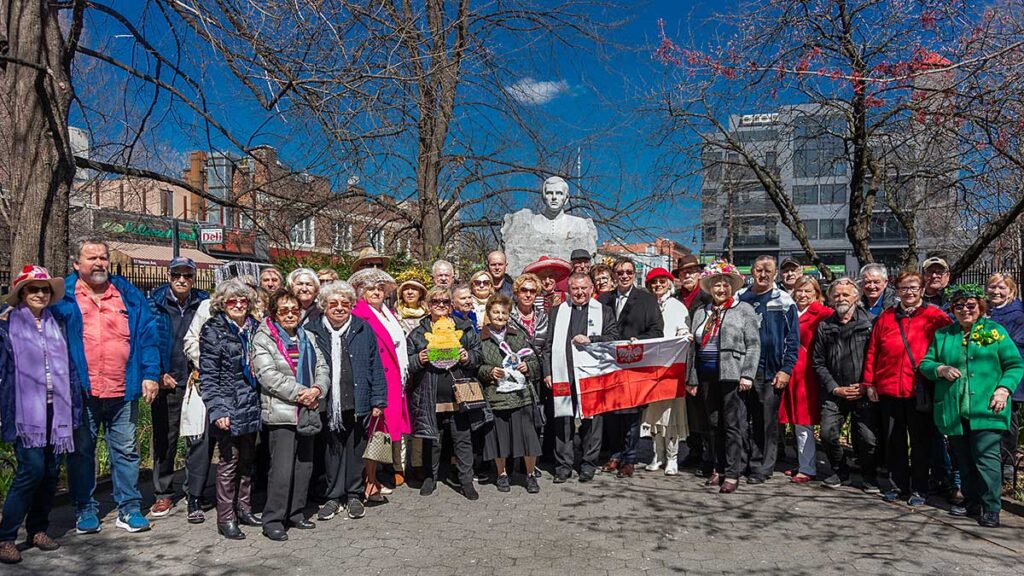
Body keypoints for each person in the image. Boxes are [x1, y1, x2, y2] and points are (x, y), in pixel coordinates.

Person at [55, 238, 160, 535]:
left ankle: (128, 508)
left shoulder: (128, 294)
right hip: (82, 390)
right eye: (92, 258)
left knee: (126, 451)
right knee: (81, 451)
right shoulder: (63, 297)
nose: (100, 263)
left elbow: (148, 336)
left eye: (103, 257)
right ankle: (85, 508)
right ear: (77, 263)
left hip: (122, 388)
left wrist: (150, 373)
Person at [921, 285, 1023, 528]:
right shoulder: (944, 335)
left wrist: (1003, 389)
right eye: (959, 306)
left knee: (985, 458)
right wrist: (940, 369)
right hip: (955, 409)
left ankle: (991, 507)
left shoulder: (995, 331)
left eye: (970, 305)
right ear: (952, 309)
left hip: (987, 408)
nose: (965, 310)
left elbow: (1015, 364)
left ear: (980, 307)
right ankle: (972, 501)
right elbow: (926, 363)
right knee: (963, 459)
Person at [0, 266, 82, 564]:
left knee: (49, 473)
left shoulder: (57, 322)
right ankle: (6, 536)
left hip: (56, 407)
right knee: (30, 470)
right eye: (33, 289)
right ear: (22, 294)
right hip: (26, 412)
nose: (39, 294)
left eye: (44, 289)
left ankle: (37, 529)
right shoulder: (7, 325)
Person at [863, 271, 951, 506]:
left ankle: (920, 488)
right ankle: (897, 485)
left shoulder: (936, 317)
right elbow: (873, 351)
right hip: (890, 388)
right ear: (897, 290)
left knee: (921, 443)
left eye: (913, 287)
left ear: (922, 289)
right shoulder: (886, 317)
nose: (909, 292)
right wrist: (870, 382)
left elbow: (949, 348)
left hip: (919, 389)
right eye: (904, 288)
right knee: (894, 441)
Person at [304, 280, 387, 522]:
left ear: (351, 305)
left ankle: (353, 494)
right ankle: (333, 496)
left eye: (345, 303)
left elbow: (376, 366)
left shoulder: (363, 328)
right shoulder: (313, 329)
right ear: (324, 306)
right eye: (333, 304)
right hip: (328, 402)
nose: (339, 308)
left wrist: (378, 400)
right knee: (332, 450)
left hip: (358, 400)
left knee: (355, 448)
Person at [251, 291, 329, 541]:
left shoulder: (308, 336)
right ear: (274, 312)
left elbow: (322, 367)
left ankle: (296, 513)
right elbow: (268, 375)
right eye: (284, 310)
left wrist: (318, 389)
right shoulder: (264, 339)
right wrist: (301, 393)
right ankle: (273, 518)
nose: (290, 315)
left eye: (294, 310)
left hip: (309, 409)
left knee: (304, 466)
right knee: (282, 470)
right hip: (282, 413)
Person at [147, 257, 211, 520]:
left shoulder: (204, 302)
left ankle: (194, 490)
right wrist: (158, 373)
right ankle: (163, 493)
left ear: (194, 277)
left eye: (187, 275)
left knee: (197, 439)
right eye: (177, 275)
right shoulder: (155, 303)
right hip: (167, 380)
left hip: (197, 379)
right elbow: (148, 340)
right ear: (169, 276)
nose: (182, 280)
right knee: (166, 438)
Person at [688, 260, 760, 494]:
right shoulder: (702, 312)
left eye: (725, 285)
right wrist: (692, 378)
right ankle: (717, 468)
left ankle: (732, 472)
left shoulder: (744, 310)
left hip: (732, 376)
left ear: (732, 287)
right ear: (710, 288)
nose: (721, 289)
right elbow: (692, 347)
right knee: (712, 424)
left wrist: (747, 374)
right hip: (706, 375)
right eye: (716, 285)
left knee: (732, 425)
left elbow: (753, 345)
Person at [198, 279, 262, 540]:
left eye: (242, 301)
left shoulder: (255, 328)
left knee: (248, 460)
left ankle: (244, 507)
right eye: (232, 301)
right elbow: (209, 376)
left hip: (252, 402)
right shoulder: (213, 330)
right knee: (228, 463)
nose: (238, 305)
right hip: (228, 403)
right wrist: (217, 409)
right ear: (222, 304)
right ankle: (226, 517)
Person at [407, 287, 483, 499]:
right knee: (433, 440)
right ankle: (430, 478)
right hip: (429, 395)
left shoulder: (465, 328)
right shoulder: (418, 333)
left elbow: (478, 355)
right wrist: (418, 360)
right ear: (428, 305)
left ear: (451, 305)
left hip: (459, 395)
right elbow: (407, 362)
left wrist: (467, 357)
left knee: (462, 439)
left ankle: (466, 480)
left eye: (445, 302)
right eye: (435, 302)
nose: (441, 305)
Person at [542, 273, 618, 483]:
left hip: (592, 375)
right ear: (569, 290)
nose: (580, 293)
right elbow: (548, 345)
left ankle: (588, 464)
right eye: (575, 288)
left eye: (584, 288)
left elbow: (613, 338)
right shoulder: (558, 312)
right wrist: (547, 371)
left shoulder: (603, 311)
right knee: (563, 420)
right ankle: (563, 466)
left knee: (593, 421)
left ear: (591, 289)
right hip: (563, 371)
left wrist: (592, 339)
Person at [598, 258, 664, 479]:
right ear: (614, 275)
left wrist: (640, 340)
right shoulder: (604, 299)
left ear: (634, 274)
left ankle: (629, 458)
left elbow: (657, 331)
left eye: (628, 272)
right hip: (608, 366)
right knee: (612, 414)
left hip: (635, 365)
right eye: (619, 272)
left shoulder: (646, 299)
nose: (624, 276)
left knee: (632, 415)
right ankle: (615, 455)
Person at [813, 278, 881, 492]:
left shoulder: (871, 323)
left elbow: (879, 357)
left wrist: (866, 385)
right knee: (827, 434)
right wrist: (834, 388)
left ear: (856, 297)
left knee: (868, 439)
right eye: (837, 295)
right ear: (831, 299)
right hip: (835, 391)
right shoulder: (825, 326)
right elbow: (818, 361)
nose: (841, 298)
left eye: (846, 294)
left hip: (863, 390)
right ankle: (840, 470)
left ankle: (869, 476)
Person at [736, 255, 799, 484]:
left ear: (775, 274)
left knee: (766, 422)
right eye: (758, 270)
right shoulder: (740, 297)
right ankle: (741, 463)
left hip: (770, 371)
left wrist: (786, 369)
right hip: (742, 369)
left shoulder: (784, 301)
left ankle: (761, 467)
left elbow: (793, 340)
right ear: (751, 271)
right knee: (741, 419)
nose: (763, 275)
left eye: (768, 271)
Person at [348, 269, 412, 495]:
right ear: (361, 292)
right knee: (375, 430)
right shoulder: (358, 313)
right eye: (371, 289)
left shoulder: (387, 312)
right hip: (378, 379)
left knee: (384, 430)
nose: (376, 292)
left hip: (394, 378)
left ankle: (374, 476)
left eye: (380, 289)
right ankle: (369, 481)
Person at [478, 294, 542, 493]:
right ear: (489, 314)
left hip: (521, 394)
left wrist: (527, 366)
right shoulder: (481, 338)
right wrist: (489, 372)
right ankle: (502, 474)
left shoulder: (517, 335)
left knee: (528, 437)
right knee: (500, 438)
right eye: (495, 312)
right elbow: (476, 367)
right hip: (496, 395)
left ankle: (530, 475)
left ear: (508, 315)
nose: (499, 316)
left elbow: (534, 361)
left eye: (504, 313)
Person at [779, 276, 831, 483]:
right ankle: (803, 462)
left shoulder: (823, 314)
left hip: (807, 374)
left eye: (808, 291)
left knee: (803, 421)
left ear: (817, 294)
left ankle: (808, 468)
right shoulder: (790, 312)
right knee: (794, 420)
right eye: (799, 290)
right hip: (790, 371)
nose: (802, 295)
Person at [641, 268, 691, 476]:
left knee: (670, 416)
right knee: (654, 415)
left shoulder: (677, 307)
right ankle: (657, 455)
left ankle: (672, 458)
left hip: (671, 367)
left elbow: (683, 329)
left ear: (669, 283)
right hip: (652, 369)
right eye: (654, 282)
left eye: (662, 281)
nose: (658, 285)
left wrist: (684, 336)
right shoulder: (646, 306)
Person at [987, 272, 1024, 481]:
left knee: (1008, 423)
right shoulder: (987, 312)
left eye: (1002, 288)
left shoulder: (1017, 314)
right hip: (988, 377)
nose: (996, 291)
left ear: (1011, 290)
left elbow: (1012, 347)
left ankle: (1007, 465)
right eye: (993, 287)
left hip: (1009, 379)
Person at [509, 273, 549, 355]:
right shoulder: (508, 316)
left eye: (532, 291)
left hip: (538, 364)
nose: (528, 295)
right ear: (517, 292)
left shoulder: (543, 317)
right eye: (524, 290)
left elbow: (547, 347)